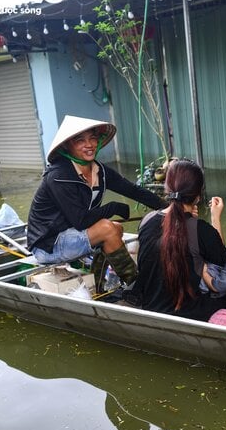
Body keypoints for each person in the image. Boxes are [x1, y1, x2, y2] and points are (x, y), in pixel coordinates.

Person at [27, 115, 167, 296]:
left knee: (115, 228)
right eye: (80, 140)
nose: (89, 144)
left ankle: (98, 282)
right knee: (107, 228)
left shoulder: (98, 170)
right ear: (67, 146)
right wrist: (114, 207)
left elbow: (133, 191)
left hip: (71, 235)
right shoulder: (58, 176)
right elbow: (80, 220)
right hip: (48, 244)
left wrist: (168, 208)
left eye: (92, 138)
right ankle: (136, 286)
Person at [132, 159, 226, 319]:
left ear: (167, 188)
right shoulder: (201, 230)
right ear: (198, 196)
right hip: (187, 313)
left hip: (150, 306)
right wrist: (215, 218)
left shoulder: (147, 220)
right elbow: (221, 268)